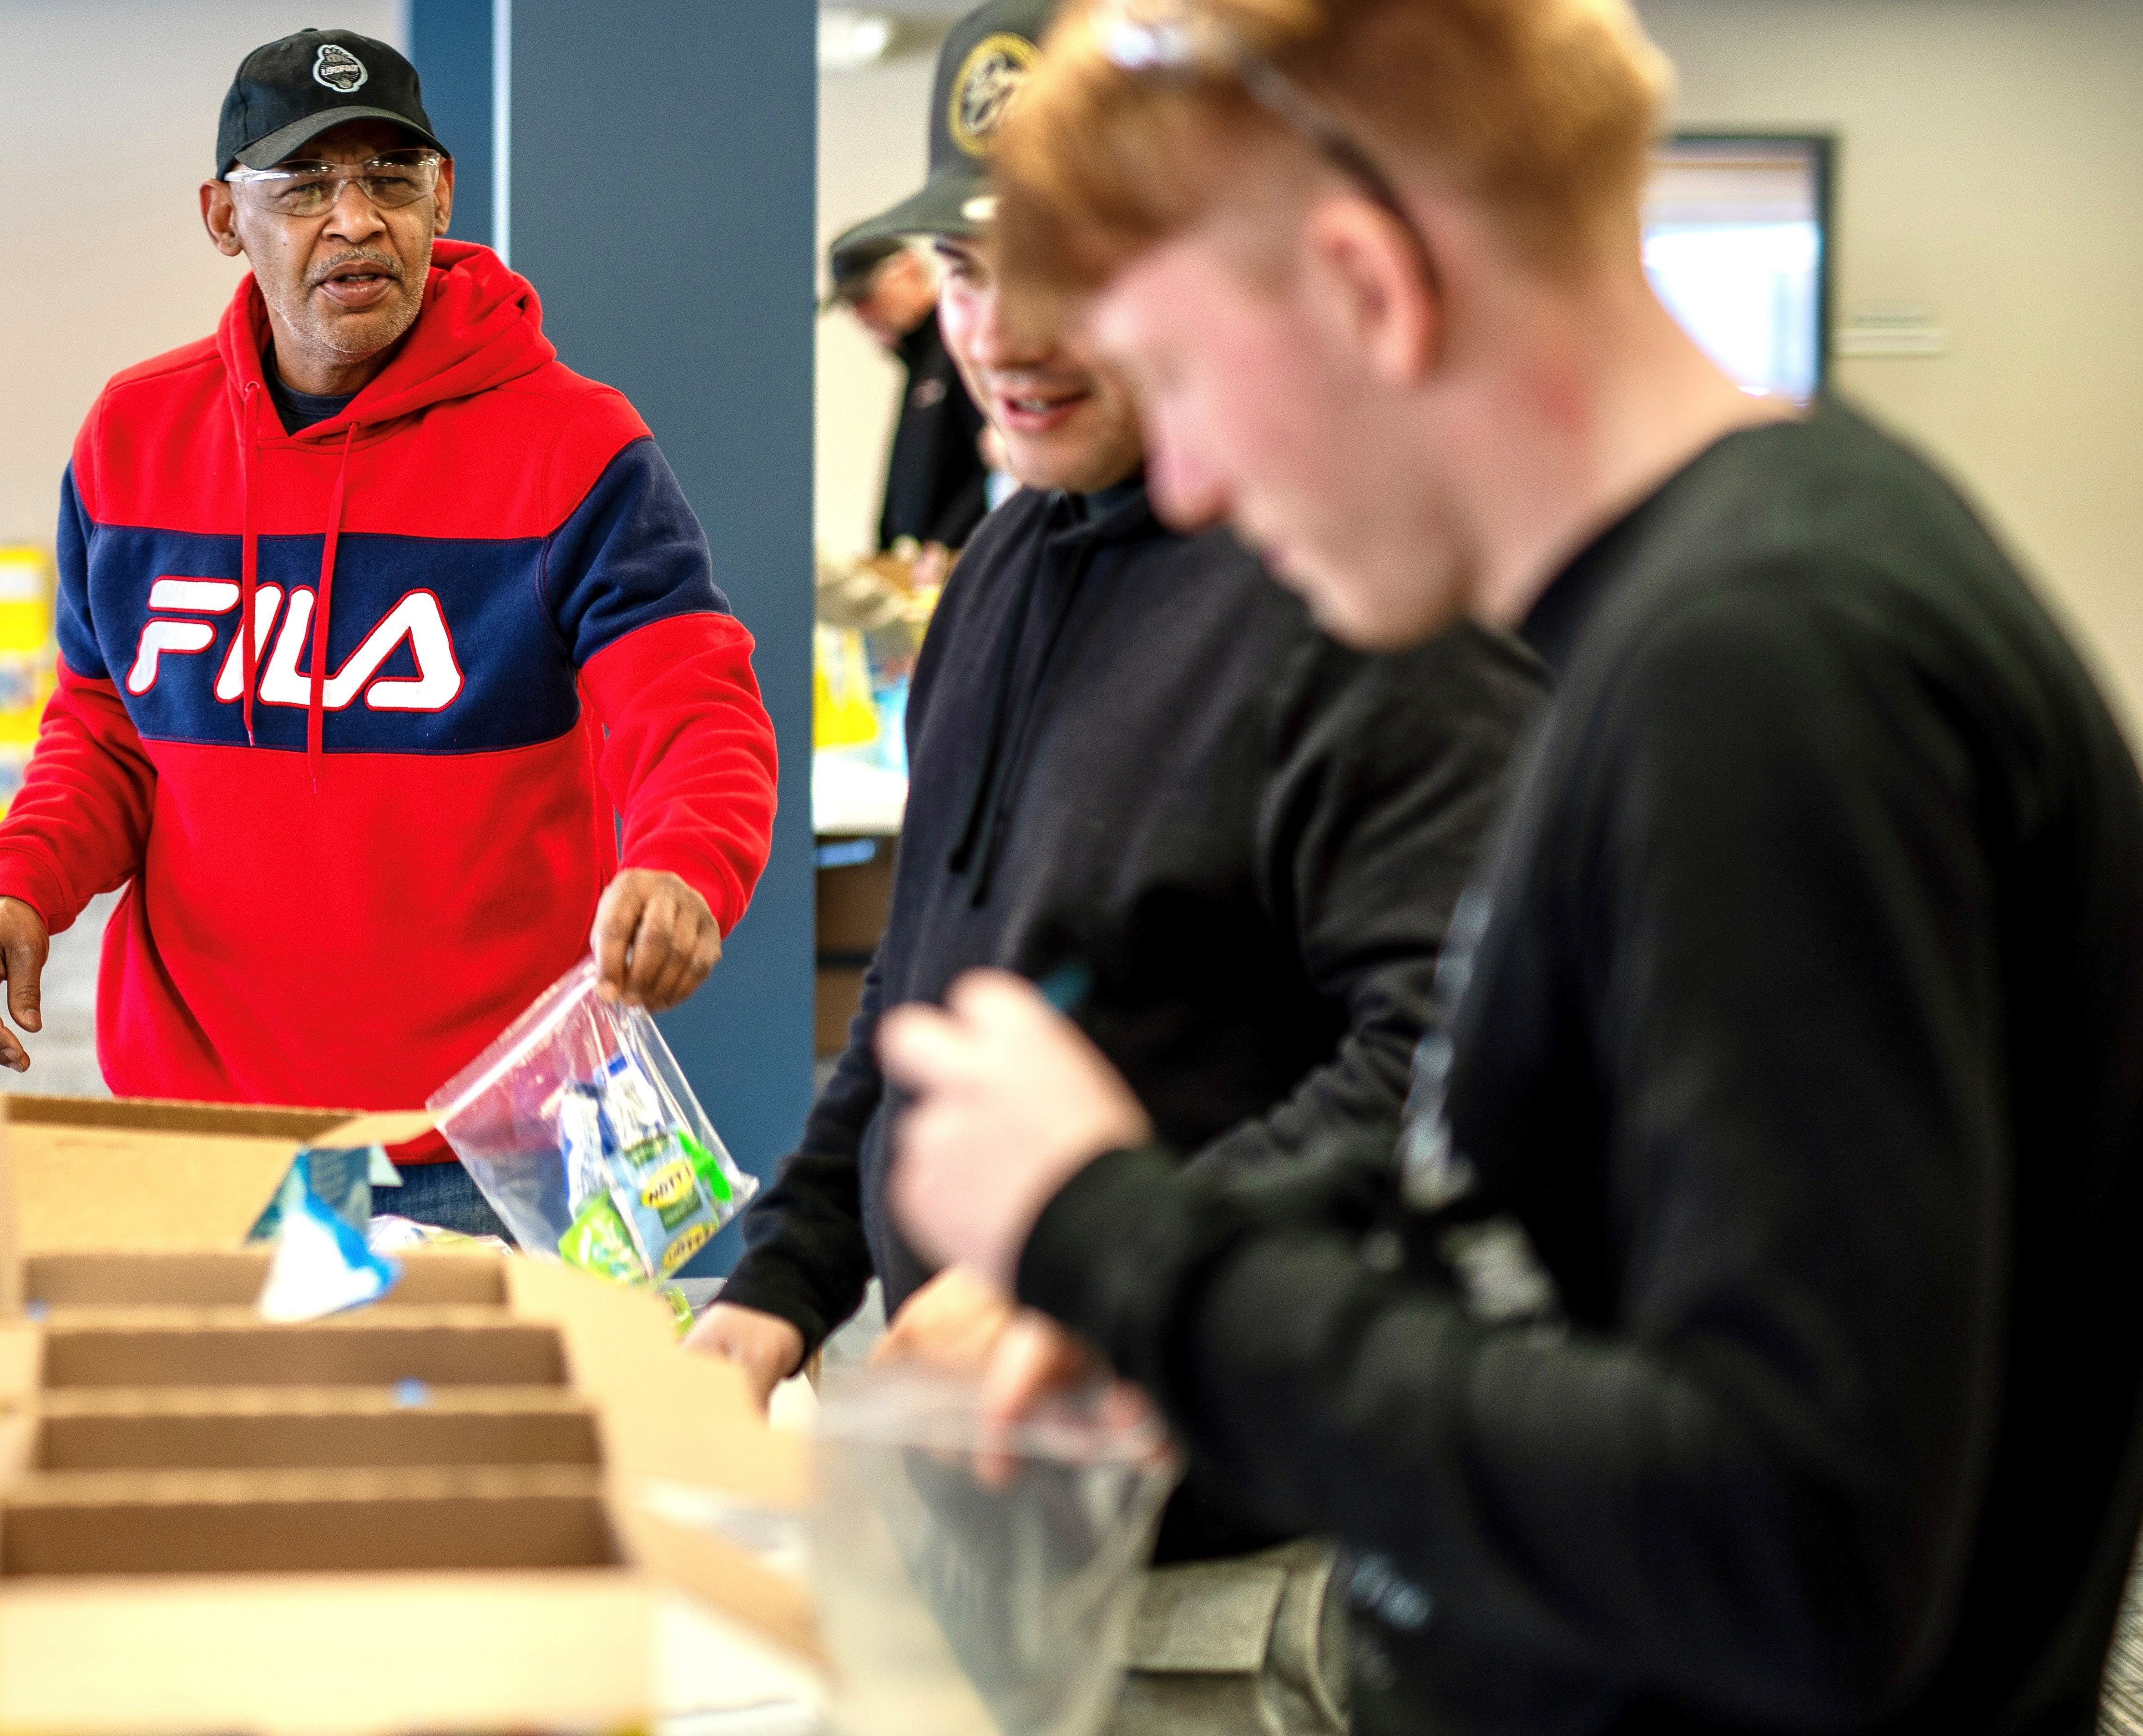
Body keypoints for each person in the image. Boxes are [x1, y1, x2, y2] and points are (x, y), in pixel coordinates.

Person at [881, 1, 2143, 1732]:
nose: (1181, 477)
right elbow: (1556, 1236)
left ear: (1362, 289)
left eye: (1178, 380)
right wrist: (1162, 1279)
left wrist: (1123, 1240)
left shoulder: (1765, 666)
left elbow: (1791, 1540)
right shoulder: (1681, 619)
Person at [685, 3, 1542, 1723]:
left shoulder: (1350, 581)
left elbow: (1461, 1061)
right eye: (961, 263)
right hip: (1010, 1528)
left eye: (1069, 258)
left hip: (1265, 1578)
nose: (1004, 330)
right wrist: (782, 1274)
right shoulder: (1001, 566)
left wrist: (1096, 1262)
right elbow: (926, 989)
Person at [0, 28, 778, 1234]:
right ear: (225, 216)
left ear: (441, 196)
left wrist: (685, 854)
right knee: (221, 1428)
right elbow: (108, 728)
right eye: (305, 186)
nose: (356, 220)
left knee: (509, 1429)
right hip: (205, 1121)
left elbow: (690, 700)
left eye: (389, 177)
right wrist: (15, 886)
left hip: (498, 1136)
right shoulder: (132, 439)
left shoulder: (574, 447)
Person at [829, 232, 993, 589]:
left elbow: (992, 462)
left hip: (961, 567)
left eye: (866, 296)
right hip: (916, 571)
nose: (862, 314)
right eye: (852, 305)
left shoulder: (957, 348)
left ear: (908, 271)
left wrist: (946, 542)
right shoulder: (917, 362)